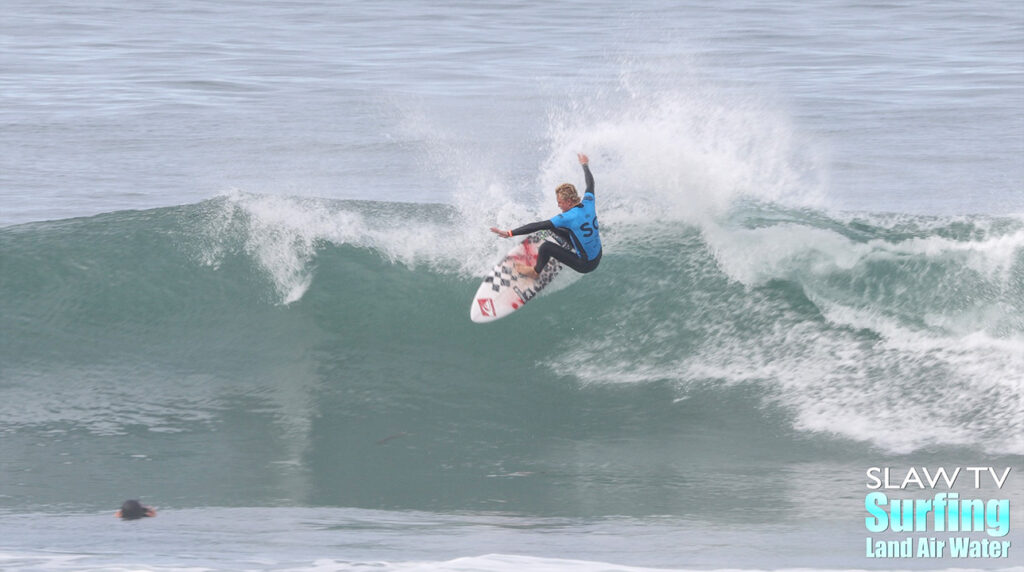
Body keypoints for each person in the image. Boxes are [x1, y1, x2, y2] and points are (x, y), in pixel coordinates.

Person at [490, 153, 602, 278]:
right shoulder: (588, 202)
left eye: (560, 202)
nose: (558, 205)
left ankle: (535, 272)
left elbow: (538, 225)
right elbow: (590, 184)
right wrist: (585, 165)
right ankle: (569, 247)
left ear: (569, 202)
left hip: (586, 264)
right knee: (553, 227)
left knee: (546, 247)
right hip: (598, 254)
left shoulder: (568, 217)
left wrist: (509, 233)